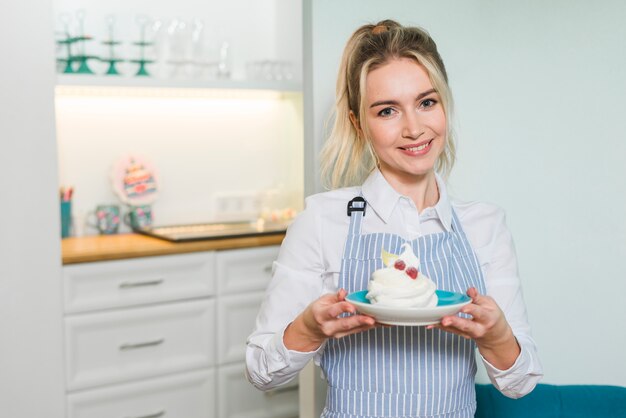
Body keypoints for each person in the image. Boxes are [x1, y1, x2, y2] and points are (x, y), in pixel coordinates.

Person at [246, 19, 543, 418]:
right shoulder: (322, 221)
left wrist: (497, 334)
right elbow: (260, 371)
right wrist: (309, 328)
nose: (414, 128)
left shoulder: (484, 226)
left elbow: (519, 384)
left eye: (426, 102)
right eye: (387, 111)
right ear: (358, 123)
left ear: (444, 104)